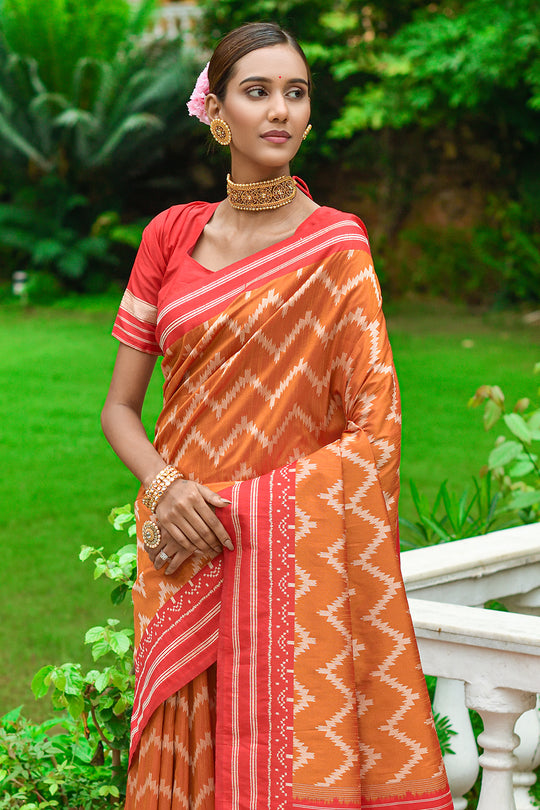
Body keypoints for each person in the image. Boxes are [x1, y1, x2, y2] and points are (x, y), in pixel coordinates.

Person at [101, 21, 453, 810]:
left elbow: (376, 430)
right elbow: (120, 409)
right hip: (182, 548)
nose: (280, 111)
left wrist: (252, 508)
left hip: (284, 561)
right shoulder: (170, 237)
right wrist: (166, 488)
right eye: (257, 92)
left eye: (295, 93)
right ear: (217, 110)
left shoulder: (336, 248)